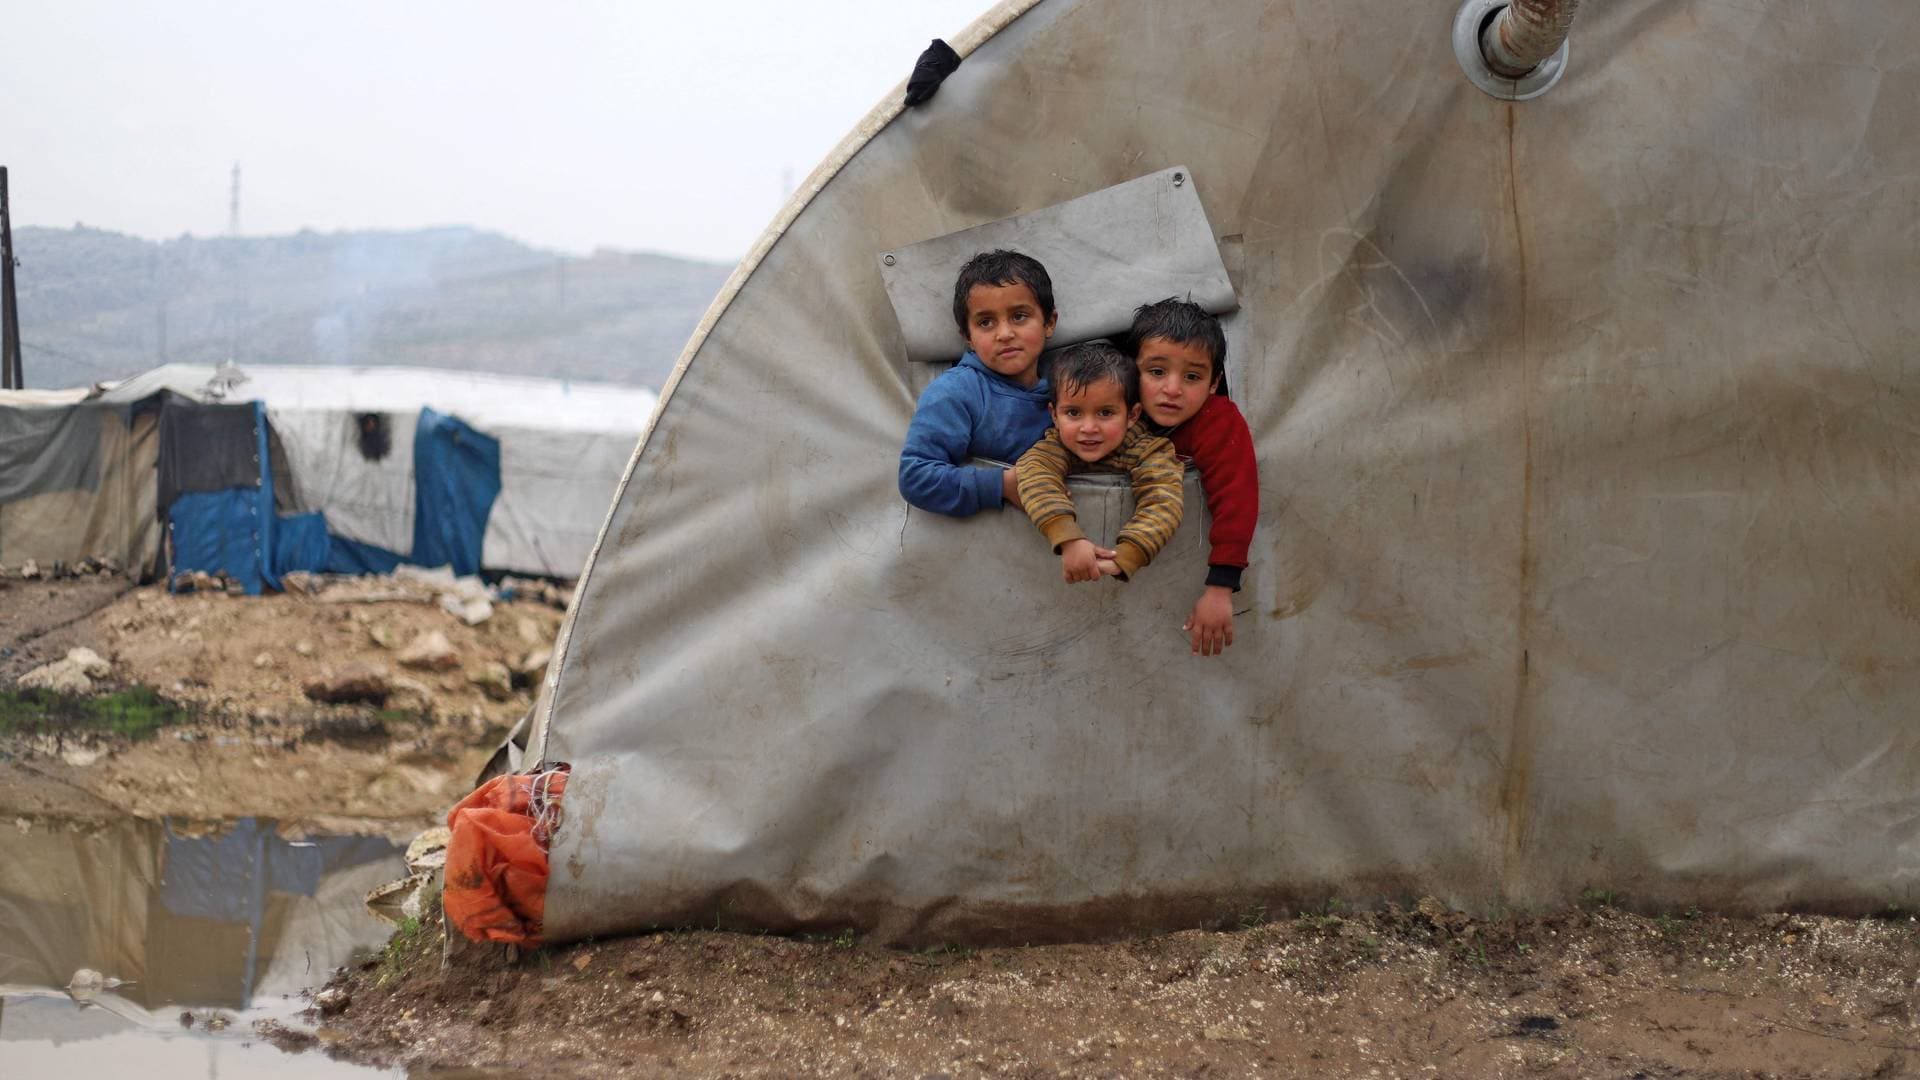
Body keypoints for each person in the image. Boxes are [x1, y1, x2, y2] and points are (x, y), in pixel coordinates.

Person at [1128, 298, 1258, 657]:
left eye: (1192, 376)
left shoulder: (1218, 420)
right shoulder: (1114, 409)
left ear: (1215, 382)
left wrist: (1220, 586)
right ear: (1131, 370)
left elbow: (1236, 495)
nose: (1173, 389)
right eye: (1157, 372)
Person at [897, 250, 1057, 517]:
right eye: (986, 322)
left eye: (1019, 316)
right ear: (968, 337)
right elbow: (916, 477)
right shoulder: (957, 392)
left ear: (1049, 323)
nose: (1004, 334)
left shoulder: (1068, 386)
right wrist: (1002, 485)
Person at [1015, 341, 1183, 583]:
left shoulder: (1150, 451)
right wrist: (1069, 539)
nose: (1089, 428)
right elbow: (1034, 477)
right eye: (1073, 413)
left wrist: (1126, 555)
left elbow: (1163, 501)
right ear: (1054, 415)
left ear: (1132, 415)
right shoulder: (1054, 447)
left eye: (1105, 413)